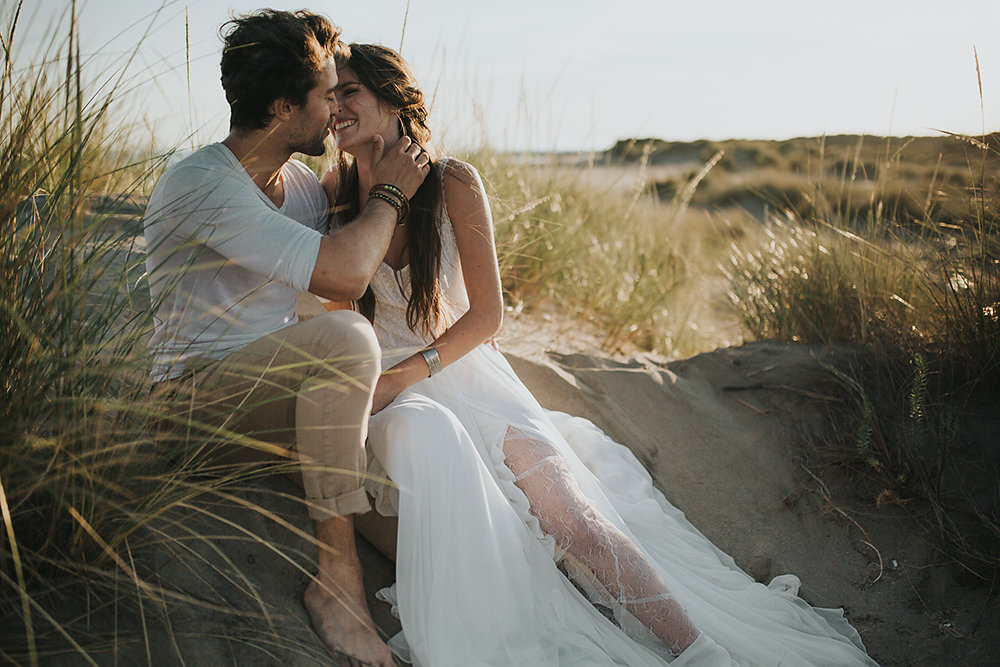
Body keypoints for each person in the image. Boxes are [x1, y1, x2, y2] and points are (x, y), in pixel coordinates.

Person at [324, 43, 881, 666]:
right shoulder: (334, 192)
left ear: (394, 98)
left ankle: (698, 652)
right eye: (330, 94)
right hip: (396, 399)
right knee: (496, 528)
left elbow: (488, 317)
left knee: (568, 515)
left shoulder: (453, 181)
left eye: (350, 91)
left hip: (464, 371)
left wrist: (407, 373)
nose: (335, 105)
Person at [142, 12, 430, 667]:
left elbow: (358, 261)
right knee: (346, 340)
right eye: (327, 96)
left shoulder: (300, 187)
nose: (336, 111)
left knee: (417, 535)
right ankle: (338, 582)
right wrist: (391, 191)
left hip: (273, 408)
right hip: (191, 409)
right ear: (282, 108)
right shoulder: (203, 184)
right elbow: (345, 273)